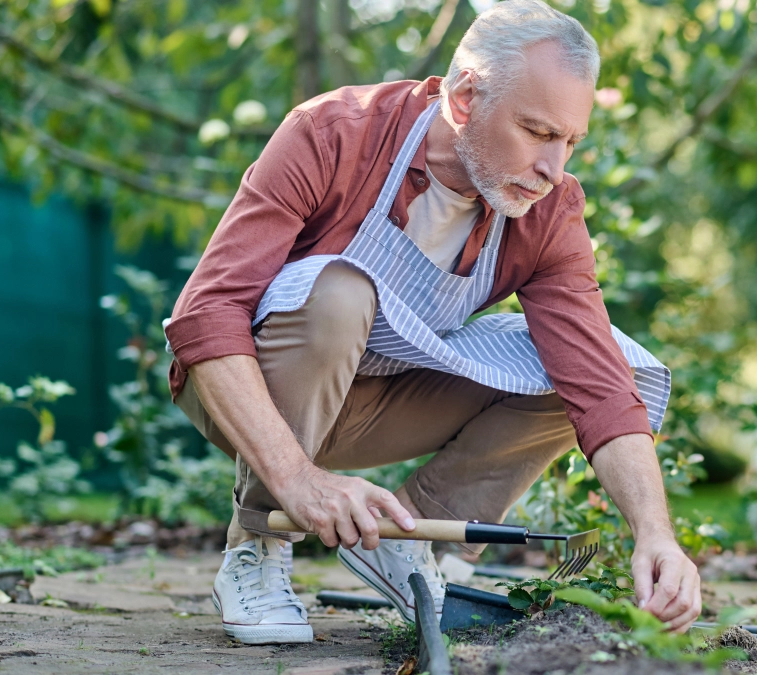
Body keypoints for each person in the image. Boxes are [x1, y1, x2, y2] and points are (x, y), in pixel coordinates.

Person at [164, 0, 701, 645]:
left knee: (614, 366)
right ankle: (256, 545)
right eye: (536, 131)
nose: (552, 167)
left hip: (379, 404)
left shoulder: (548, 210)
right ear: (467, 97)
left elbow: (600, 388)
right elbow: (206, 315)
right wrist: (297, 481)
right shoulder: (333, 134)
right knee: (338, 292)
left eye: (570, 141)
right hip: (251, 392)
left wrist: (655, 536)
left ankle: (403, 539)